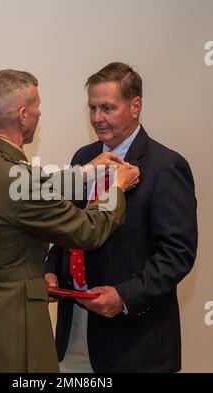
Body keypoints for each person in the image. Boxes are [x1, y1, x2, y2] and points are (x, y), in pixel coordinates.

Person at [0, 69, 139, 373]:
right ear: (22, 115)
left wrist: (83, 173)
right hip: (11, 329)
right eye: (36, 106)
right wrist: (117, 189)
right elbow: (89, 230)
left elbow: (17, 190)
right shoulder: (20, 181)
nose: (39, 113)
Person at [45, 62, 198, 373]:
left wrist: (124, 297)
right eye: (92, 108)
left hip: (134, 343)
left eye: (107, 108)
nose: (97, 118)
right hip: (72, 331)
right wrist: (50, 270)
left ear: (136, 106)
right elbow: (68, 228)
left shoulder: (166, 166)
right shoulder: (83, 158)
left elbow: (177, 253)